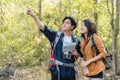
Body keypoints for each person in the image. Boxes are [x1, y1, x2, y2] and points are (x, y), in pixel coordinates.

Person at [26, 7, 81, 80]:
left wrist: (76, 54)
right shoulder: (56, 36)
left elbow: (80, 57)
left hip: (70, 73)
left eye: (67, 23)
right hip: (58, 72)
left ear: (72, 27)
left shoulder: (76, 40)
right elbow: (43, 28)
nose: (64, 24)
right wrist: (34, 16)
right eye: (63, 23)